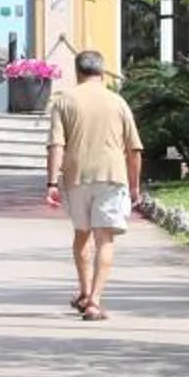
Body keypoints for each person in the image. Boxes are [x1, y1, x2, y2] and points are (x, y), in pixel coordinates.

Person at [43, 48, 142, 321]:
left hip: (76, 178)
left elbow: (56, 145)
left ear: (78, 72)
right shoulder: (118, 102)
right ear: (102, 71)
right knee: (105, 239)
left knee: (82, 235)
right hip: (112, 176)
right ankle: (95, 302)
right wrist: (134, 187)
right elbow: (134, 150)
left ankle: (85, 291)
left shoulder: (63, 102)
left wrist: (52, 182)